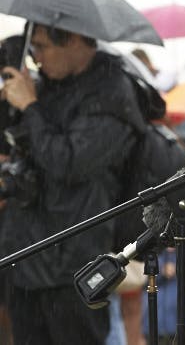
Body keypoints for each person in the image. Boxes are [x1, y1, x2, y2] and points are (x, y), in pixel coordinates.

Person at [0, 23, 141, 344]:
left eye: (41, 46)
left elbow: (68, 164)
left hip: (74, 269)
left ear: (75, 39)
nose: (35, 57)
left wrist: (30, 107)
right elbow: (17, 148)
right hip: (25, 261)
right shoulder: (48, 84)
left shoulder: (112, 92)